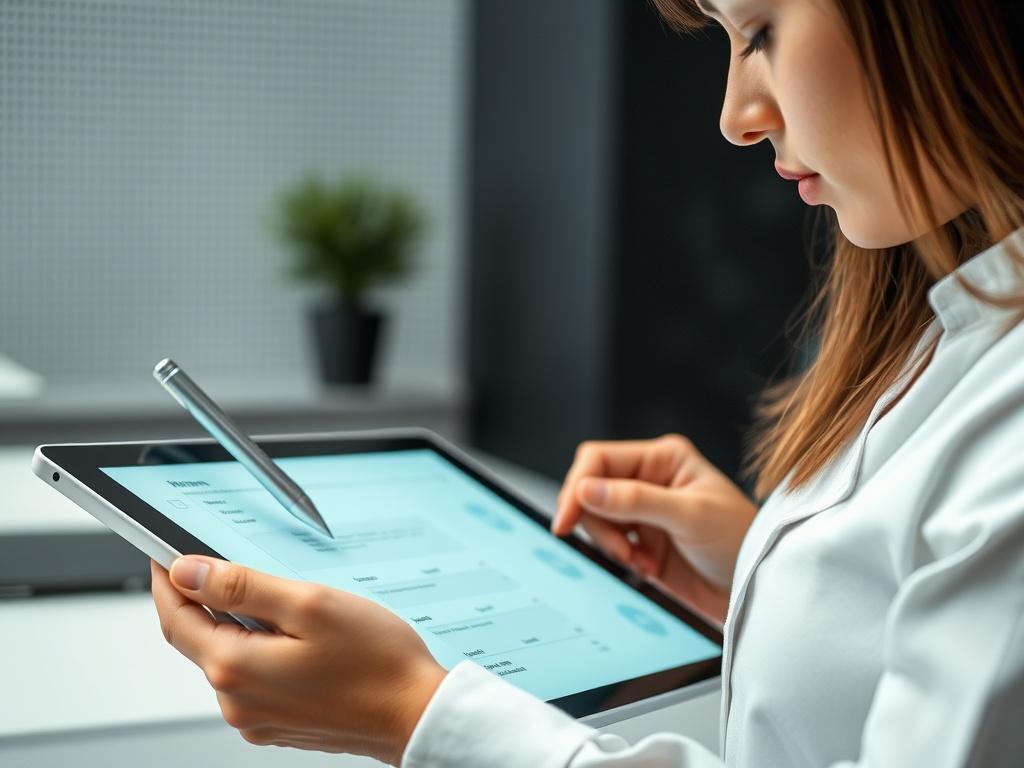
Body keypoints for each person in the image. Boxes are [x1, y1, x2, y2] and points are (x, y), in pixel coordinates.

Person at [150, 0, 1024, 765]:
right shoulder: (950, 330)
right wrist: (769, 577)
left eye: (759, 31)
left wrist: (411, 714)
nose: (735, 117)